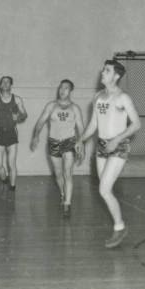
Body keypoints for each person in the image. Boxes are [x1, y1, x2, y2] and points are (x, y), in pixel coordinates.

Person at [80, 59, 141, 248]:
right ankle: (119, 225)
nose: (102, 73)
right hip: (102, 146)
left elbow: (137, 124)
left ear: (116, 76)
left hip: (119, 145)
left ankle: (119, 227)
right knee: (105, 190)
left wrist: (116, 140)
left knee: (104, 189)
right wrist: (80, 140)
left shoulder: (123, 98)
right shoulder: (98, 96)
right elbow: (94, 124)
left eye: (106, 70)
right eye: (103, 70)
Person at [30, 79, 85, 217]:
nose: (62, 90)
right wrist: (36, 135)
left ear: (70, 91)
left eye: (66, 88)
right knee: (58, 174)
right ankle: (62, 193)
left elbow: (81, 128)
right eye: (61, 88)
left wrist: (81, 143)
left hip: (69, 142)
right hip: (53, 142)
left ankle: (67, 203)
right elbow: (40, 122)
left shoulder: (75, 108)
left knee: (68, 173)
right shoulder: (51, 106)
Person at [0, 76, 27, 199]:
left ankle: (12, 189)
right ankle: (4, 181)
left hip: (11, 133)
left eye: (7, 82)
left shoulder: (17, 99)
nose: (5, 83)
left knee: (11, 164)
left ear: (11, 85)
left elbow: (24, 114)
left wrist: (18, 118)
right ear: (0, 85)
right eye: (3, 82)